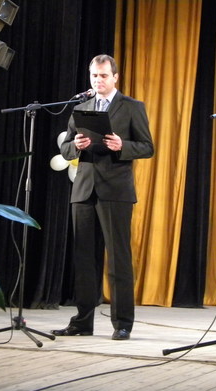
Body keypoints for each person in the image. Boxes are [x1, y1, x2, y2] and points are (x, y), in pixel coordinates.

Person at [53, 54, 154, 340]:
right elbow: (66, 149)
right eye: (94, 76)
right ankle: (83, 322)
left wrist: (123, 145)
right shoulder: (81, 107)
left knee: (118, 257)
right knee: (84, 257)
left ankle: (122, 323)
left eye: (104, 76)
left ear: (115, 77)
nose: (98, 80)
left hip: (115, 189)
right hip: (84, 189)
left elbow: (147, 147)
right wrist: (76, 145)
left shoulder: (132, 107)